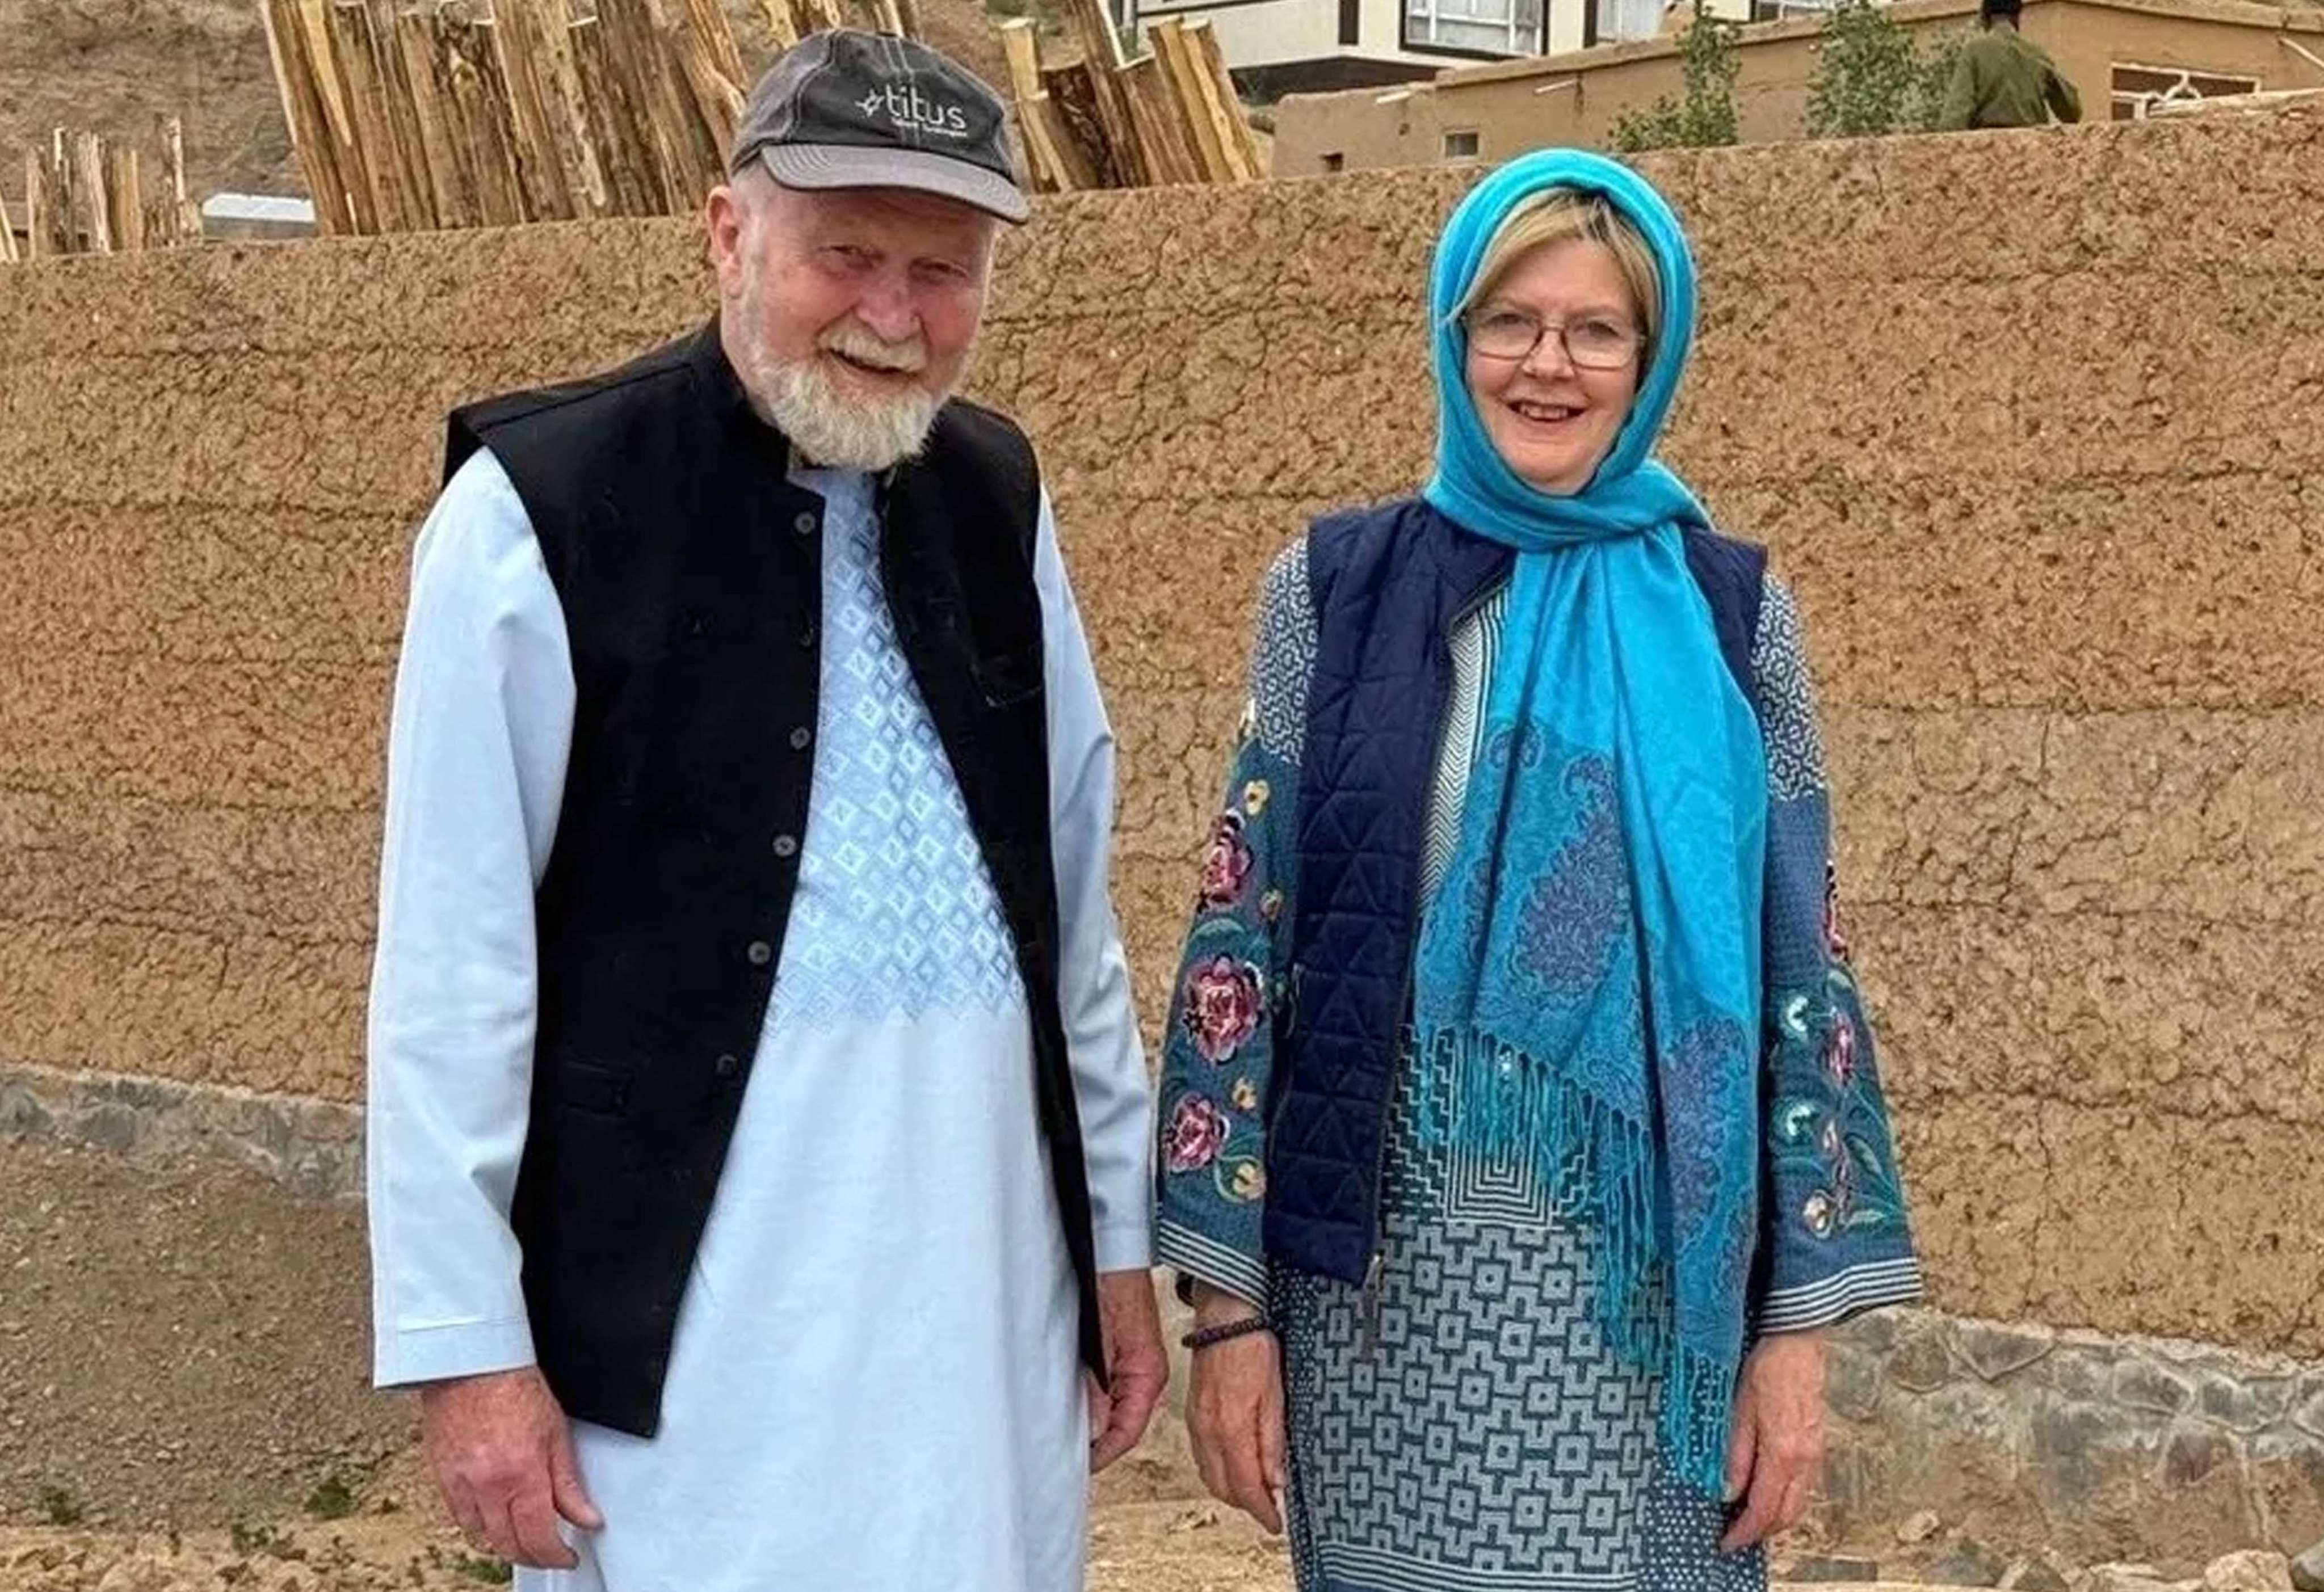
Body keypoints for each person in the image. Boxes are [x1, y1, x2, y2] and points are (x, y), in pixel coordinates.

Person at [364, 30, 1163, 1592]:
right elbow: (452, 973)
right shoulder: (535, 513)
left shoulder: (999, 498)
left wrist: (1112, 1240)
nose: (891, 313)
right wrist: (468, 1351)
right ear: (727, 231)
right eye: (844, 253)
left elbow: (1071, 915)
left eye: (942, 271)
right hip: (697, 1356)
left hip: (983, 1312)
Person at [1151, 149, 1923, 1592]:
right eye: (1509, 320)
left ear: (1654, 354)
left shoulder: (1732, 614)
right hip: (1374, 1317)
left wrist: (1795, 1338)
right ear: (1454, 337)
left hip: (1651, 1313)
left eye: (1595, 329)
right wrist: (1228, 1311)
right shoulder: (1328, 591)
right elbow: (1236, 955)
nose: (1547, 363)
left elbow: (1801, 977)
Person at [1936, 0, 2083, 130]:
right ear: (2017, 17)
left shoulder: (1974, 51)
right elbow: (2072, 112)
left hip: (1988, 148)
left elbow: (1954, 119)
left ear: (1984, 18)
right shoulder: (2037, 54)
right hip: (2032, 147)